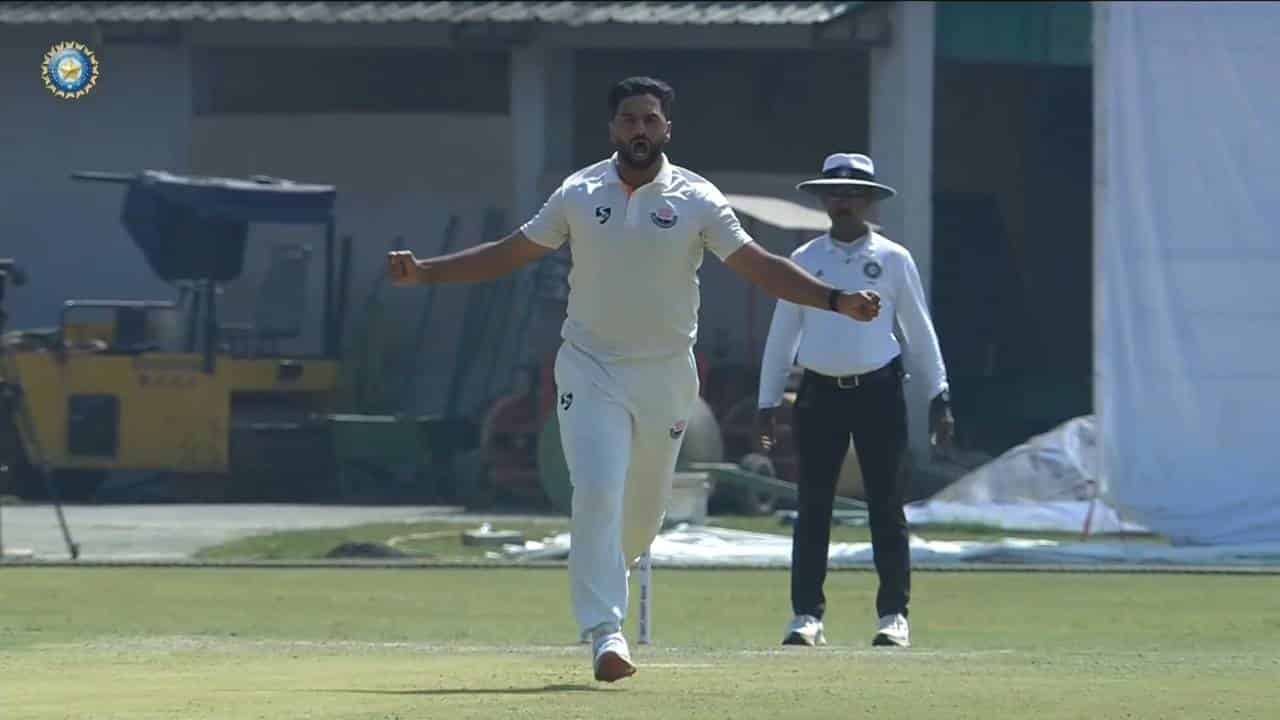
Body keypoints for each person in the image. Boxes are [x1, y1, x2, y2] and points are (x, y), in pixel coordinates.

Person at [388, 77, 882, 682]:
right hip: (590, 365)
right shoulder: (578, 192)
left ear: (667, 128)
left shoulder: (697, 198)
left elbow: (759, 266)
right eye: (629, 119)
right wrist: (426, 273)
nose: (639, 130)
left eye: (650, 120)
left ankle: (605, 577)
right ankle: (606, 632)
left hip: (665, 374)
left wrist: (833, 299)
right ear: (613, 128)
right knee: (597, 489)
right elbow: (511, 251)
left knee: (643, 515)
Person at [755, 152, 954, 649]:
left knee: (886, 504)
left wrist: (939, 394)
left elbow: (918, 330)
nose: (843, 202)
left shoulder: (893, 258)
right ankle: (806, 615)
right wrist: (767, 401)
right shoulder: (805, 260)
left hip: (879, 390)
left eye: (853, 194)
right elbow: (783, 333)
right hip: (819, 392)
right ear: (824, 200)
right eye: (835, 194)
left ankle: (893, 615)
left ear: (868, 201)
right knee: (812, 504)